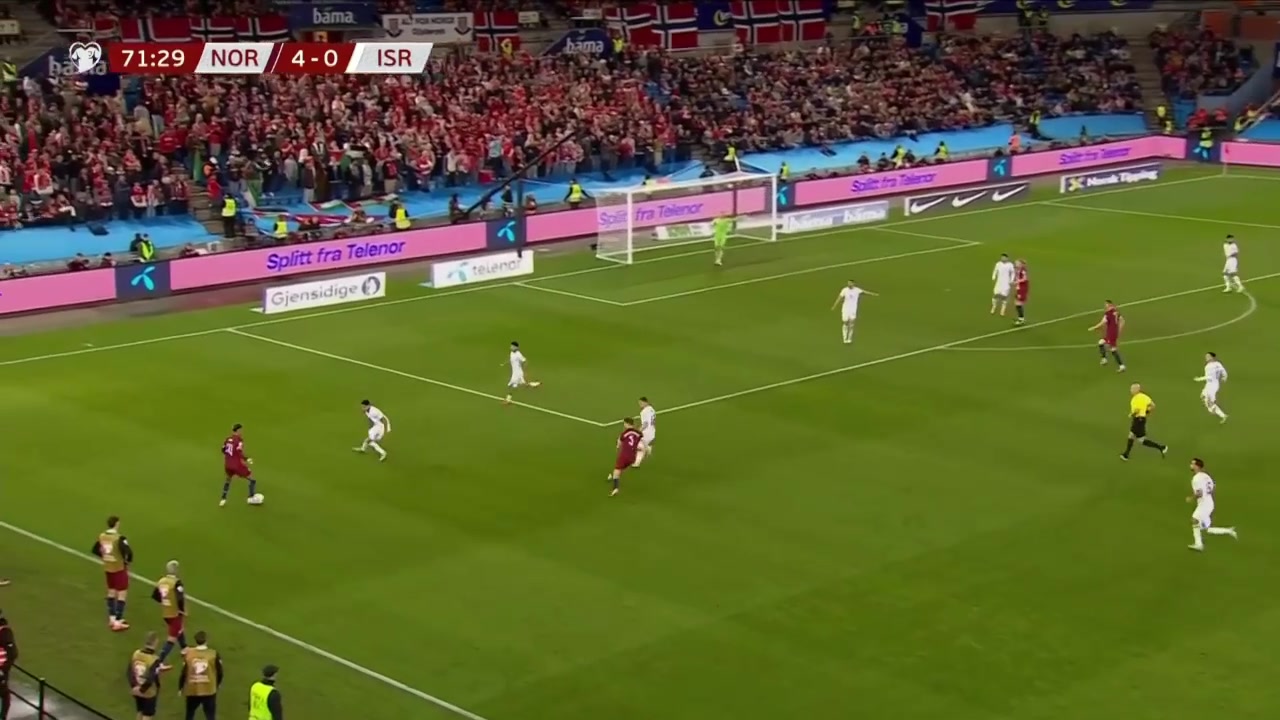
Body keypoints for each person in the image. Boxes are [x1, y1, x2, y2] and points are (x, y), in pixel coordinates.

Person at [90, 515, 133, 631]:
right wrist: (127, 562)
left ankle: (112, 618)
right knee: (122, 593)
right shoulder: (119, 538)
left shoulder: (102, 536)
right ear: (117, 524)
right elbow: (128, 552)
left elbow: (95, 550)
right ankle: (118, 622)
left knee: (111, 591)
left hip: (108, 568)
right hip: (119, 568)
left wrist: (105, 557)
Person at [1186, 458, 1238, 552]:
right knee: (1206, 529)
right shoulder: (1206, 476)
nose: (1191, 465)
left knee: (1194, 520)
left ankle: (1199, 545)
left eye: (1192, 464)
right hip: (1209, 502)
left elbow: (1199, 493)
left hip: (1204, 504)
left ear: (1197, 466)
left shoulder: (1196, 478)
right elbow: (1213, 485)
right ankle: (1229, 531)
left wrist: (1191, 498)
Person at [150, 561, 186, 671]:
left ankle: (184, 648)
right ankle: (159, 662)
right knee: (172, 638)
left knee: (178, 628)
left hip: (166, 612)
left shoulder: (161, 581)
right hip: (174, 613)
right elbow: (180, 598)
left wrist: (166, 601)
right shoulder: (176, 582)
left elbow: (155, 596)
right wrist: (182, 610)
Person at [179, 631, 222, 720]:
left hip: (192, 689)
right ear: (206, 640)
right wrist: (217, 684)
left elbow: (184, 672)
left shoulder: (189, 654)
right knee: (210, 716)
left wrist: (180, 687)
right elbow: (220, 672)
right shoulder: (213, 654)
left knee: (190, 714)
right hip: (209, 689)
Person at [1121, 383, 1167, 461]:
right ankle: (1126, 454)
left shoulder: (1135, 399)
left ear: (1136, 390)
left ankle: (1126, 455)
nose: (1131, 390)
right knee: (1136, 437)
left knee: (1136, 438)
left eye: (1132, 389)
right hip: (1141, 419)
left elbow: (1136, 410)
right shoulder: (1144, 396)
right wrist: (1146, 412)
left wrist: (1131, 414)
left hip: (1138, 420)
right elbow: (1153, 405)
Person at [127, 632, 162, 720]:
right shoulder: (154, 659)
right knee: (147, 715)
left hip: (137, 689)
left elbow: (129, 672)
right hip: (149, 692)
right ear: (155, 643)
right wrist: (142, 690)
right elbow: (150, 679)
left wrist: (134, 687)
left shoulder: (136, 653)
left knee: (140, 711)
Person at [831, 280, 877, 345]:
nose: (849, 284)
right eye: (848, 283)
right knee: (845, 322)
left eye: (850, 283)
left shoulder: (857, 290)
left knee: (851, 323)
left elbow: (864, 292)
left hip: (853, 309)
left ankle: (849, 339)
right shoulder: (844, 290)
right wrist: (834, 305)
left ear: (853, 284)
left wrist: (873, 294)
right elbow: (839, 298)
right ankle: (844, 338)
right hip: (845, 309)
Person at [608, 418, 645, 497]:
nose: (624, 425)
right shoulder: (638, 433)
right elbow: (639, 435)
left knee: (617, 470)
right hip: (632, 457)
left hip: (624, 455)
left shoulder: (624, 433)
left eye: (624, 423)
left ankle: (615, 488)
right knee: (621, 468)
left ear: (627, 424)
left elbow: (619, 442)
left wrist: (617, 446)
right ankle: (613, 476)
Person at [1089, 301, 1125, 372]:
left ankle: (1121, 366)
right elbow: (1122, 320)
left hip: (1111, 333)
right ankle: (1104, 359)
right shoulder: (1116, 312)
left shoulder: (1108, 314)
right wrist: (1119, 329)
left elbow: (1102, 323)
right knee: (1101, 342)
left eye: (1106, 305)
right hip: (1113, 332)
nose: (1105, 306)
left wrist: (1094, 328)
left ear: (1110, 305)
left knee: (1113, 349)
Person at [1194, 352, 1229, 422]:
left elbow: (1210, 376)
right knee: (1203, 396)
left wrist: (1199, 379)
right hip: (1210, 384)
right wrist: (1224, 376)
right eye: (1206, 356)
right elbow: (1222, 370)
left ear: (1212, 357)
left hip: (1212, 385)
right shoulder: (1213, 365)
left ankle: (1222, 415)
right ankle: (1214, 408)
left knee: (1210, 402)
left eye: (1208, 356)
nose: (1206, 358)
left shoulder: (1211, 365)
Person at [0, 608, 17, 720]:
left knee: (3, 694)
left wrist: (3, 670)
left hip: (1, 671)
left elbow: (13, 653)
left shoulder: (4, 632)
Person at [634, 397, 656, 466]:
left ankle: (637, 463)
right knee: (642, 444)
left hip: (646, 433)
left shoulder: (644, 412)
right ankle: (648, 448)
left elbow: (645, 424)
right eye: (639, 403)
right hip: (652, 431)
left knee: (638, 447)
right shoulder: (652, 409)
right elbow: (653, 422)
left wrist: (638, 431)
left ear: (646, 402)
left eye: (641, 403)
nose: (640, 405)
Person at [1012, 259, 1029, 325]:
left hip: (1022, 289)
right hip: (1019, 288)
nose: (1015, 264)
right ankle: (1021, 318)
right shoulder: (1017, 270)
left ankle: (1021, 319)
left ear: (1020, 264)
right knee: (1016, 303)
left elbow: (1025, 278)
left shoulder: (1023, 270)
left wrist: (1017, 281)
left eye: (1017, 263)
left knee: (1018, 303)